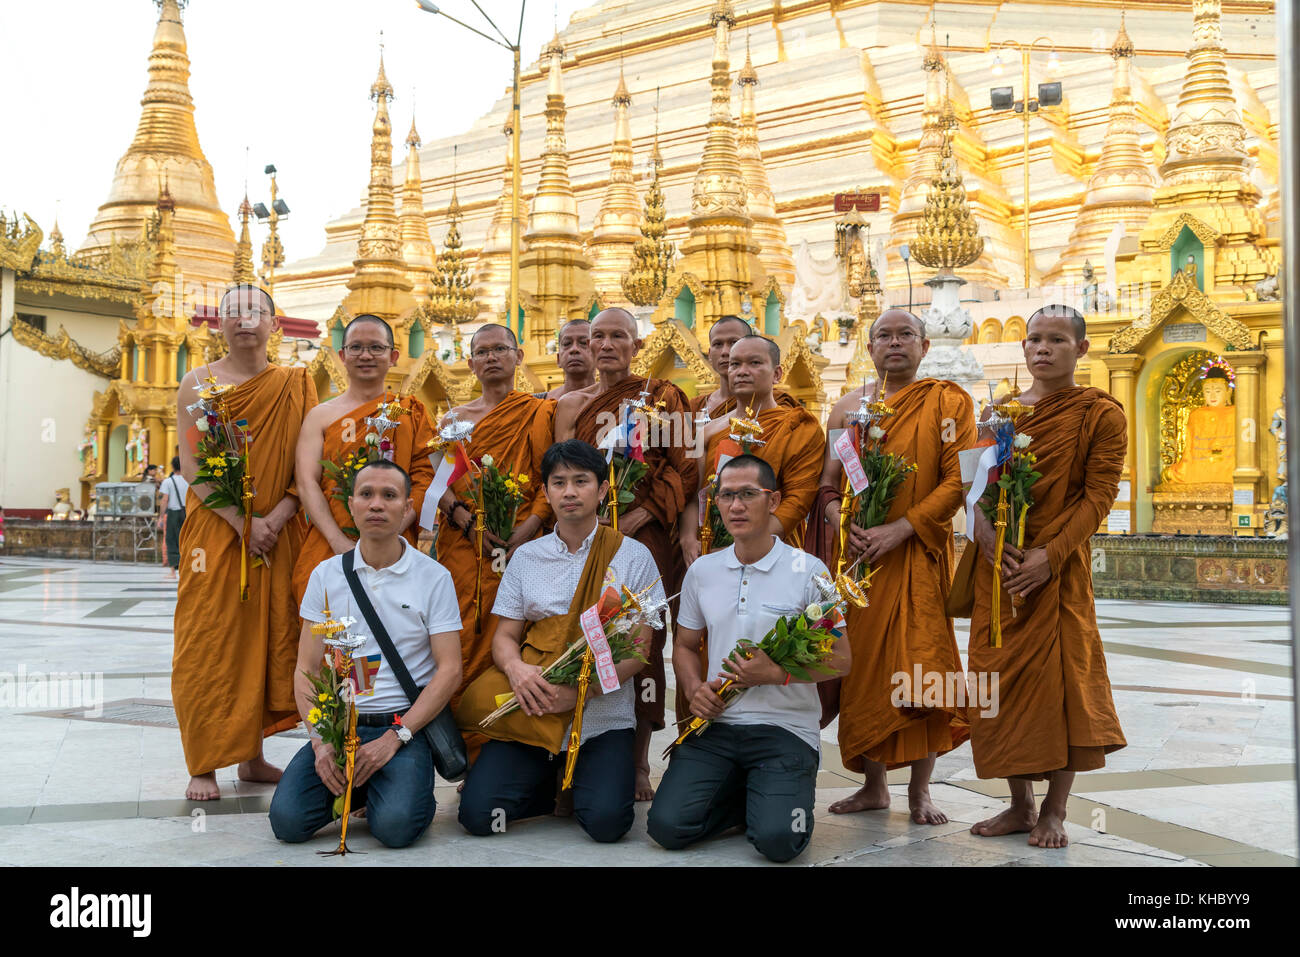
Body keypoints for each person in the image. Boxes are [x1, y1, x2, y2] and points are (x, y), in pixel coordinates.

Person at [967, 304, 1127, 849]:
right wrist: (989, 540)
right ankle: (1018, 804)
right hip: (1001, 571)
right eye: (1034, 339)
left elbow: (1099, 495)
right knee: (999, 679)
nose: (1042, 348)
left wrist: (1050, 556)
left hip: (1058, 572)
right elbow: (978, 490)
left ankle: (1055, 811)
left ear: (1081, 349)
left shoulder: (1101, 413)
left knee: (1062, 686)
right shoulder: (998, 413)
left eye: (1056, 340)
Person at [812, 308, 976, 824]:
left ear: (925, 347)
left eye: (906, 334)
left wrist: (901, 528)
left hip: (917, 555)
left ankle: (920, 792)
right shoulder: (847, 409)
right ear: (870, 348)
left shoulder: (948, 402)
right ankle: (874, 786)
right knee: (862, 670)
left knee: (922, 666)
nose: (895, 342)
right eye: (884, 335)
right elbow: (828, 485)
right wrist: (844, 520)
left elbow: (959, 481)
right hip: (861, 560)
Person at [456, 439, 665, 842]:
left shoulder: (633, 556)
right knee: (481, 817)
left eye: (581, 481)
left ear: (603, 490)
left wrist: (581, 693)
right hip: (532, 710)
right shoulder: (527, 557)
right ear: (547, 491)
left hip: (600, 717)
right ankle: (549, 776)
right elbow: (505, 636)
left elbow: (639, 651)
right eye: (558, 482)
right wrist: (516, 670)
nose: (569, 492)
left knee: (606, 824)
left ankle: (569, 778)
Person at [647, 454, 850, 862]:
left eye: (747, 495)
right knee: (666, 828)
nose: (735, 506)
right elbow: (685, 645)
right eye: (726, 496)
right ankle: (750, 793)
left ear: (773, 501)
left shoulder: (810, 571)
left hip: (786, 730)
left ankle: (772, 794)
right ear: (716, 504)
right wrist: (691, 686)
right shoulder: (703, 571)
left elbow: (842, 659)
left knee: (780, 841)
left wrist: (776, 673)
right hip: (719, 725)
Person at [172, 283, 317, 801]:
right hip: (217, 529)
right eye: (231, 311)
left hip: (277, 532)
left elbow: (308, 464)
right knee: (209, 638)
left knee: (268, 636)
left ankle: (252, 756)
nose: (243, 319)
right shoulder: (198, 383)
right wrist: (241, 521)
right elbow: (192, 466)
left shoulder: (297, 384)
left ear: (274, 324)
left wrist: (276, 517)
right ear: (220, 325)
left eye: (255, 310)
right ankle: (205, 762)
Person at [269, 460, 462, 848]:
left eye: (389, 496)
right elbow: (306, 669)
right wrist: (322, 743)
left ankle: (389, 791)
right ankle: (357, 788)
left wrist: (396, 736)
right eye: (366, 495)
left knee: (395, 829)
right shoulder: (326, 576)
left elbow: (450, 670)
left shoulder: (432, 577)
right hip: (341, 727)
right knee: (287, 823)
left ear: (407, 507)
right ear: (351, 505)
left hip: (402, 726)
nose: (376, 504)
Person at [554, 307, 696, 801]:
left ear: (638, 346)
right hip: (587, 537)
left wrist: (648, 512)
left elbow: (688, 464)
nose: (607, 344)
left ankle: (637, 762)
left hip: (647, 537)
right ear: (588, 346)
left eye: (619, 336)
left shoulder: (662, 397)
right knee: (583, 632)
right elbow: (563, 473)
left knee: (642, 641)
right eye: (599, 337)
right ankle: (576, 747)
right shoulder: (571, 406)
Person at [434, 323, 556, 705]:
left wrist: (530, 526)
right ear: (470, 364)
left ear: (518, 357)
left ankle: (511, 724)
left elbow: (547, 477)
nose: (491, 357)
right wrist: (465, 521)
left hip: (525, 542)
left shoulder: (539, 412)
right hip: (464, 544)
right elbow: (438, 483)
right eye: (482, 352)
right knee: (463, 626)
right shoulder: (452, 422)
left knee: (520, 625)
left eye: (500, 349)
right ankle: (462, 728)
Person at [292, 314, 436, 605]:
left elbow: (425, 478)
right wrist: (338, 542)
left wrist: (393, 529)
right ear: (343, 355)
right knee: (326, 630)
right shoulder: (320, 416)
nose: (366, 355)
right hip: (329, 543)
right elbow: (307, 484)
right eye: (356, 347)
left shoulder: (410, 412)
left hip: (394, 547)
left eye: (376, 348)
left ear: (393, 356)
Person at [682, 335, 825, 563]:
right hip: (712, 552)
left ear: (777, 374)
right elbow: (691, 494)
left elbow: (798, 500)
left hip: (774, 550)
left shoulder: (800, 426)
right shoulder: (704, 432)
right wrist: (688, 537)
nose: (742, 371)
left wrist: (746, 547)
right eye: (735, 364)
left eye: (755, 363)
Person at [689, 315, 799, 423]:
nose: (725, 352)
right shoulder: (695, 406)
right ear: (709, 354)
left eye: (734, 342)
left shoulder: (778, 403)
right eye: (718, 344)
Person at [543, 319, 596, 399]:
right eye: (567, 344)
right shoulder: (541, 402)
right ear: (558, 359)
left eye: (584, 343)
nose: (574, 349)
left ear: (598, 355)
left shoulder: (614, 400)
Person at [157, 456, 189, 580]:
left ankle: (173, 572)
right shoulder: (189, 480)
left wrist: (161, 516)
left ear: (173, 467)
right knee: (186, 540)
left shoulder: (168, 481)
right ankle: (186, 570)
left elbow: (165, 500)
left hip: (174, 514)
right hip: (187, 512)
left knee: (172, 540)